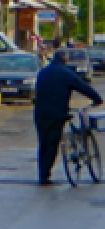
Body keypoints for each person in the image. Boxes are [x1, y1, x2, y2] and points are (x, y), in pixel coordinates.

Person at [33, 50, 104, 185]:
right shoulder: (66, 74)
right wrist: (97, 99)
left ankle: (42, 174)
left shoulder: (42, 72)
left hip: (40, 114)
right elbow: (83, 87)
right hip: (57, 114)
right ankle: (45, 177)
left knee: (43, 143)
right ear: (65, 61)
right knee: (52, 144)